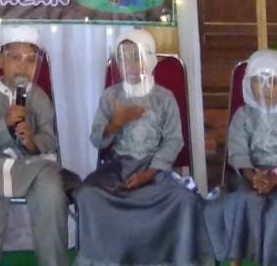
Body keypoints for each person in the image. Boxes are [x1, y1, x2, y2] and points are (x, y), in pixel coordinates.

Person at [75, 28, 214, 266]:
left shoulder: (164, 97)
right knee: (88, 194)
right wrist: (115, 124)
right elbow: (97, 140)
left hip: (155, 169)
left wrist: (150, 172)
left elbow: (173, 140)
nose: (128, 64)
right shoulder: (111, 96)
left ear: (149, 60)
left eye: (135, 56)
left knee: (184, 199)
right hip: (119, 168)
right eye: (122, 57)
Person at [0, 24, 76, 266]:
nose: (22, 66)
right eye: (15, 58)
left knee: (52, 190)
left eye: (30, 60)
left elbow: (49, 139)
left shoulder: (38, 96)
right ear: (0, 61)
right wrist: (5, 123)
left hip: (35, 164)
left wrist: (31, 141)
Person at [207, 49, 277, 266]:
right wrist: (251, 174)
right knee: (243, 199)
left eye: (273, 82)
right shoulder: (243, 115)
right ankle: (235, 260)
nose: (265, 89)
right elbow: (237, 152)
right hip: (249, 175)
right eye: (259, 82)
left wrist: (275, 177)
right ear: (249, 84)